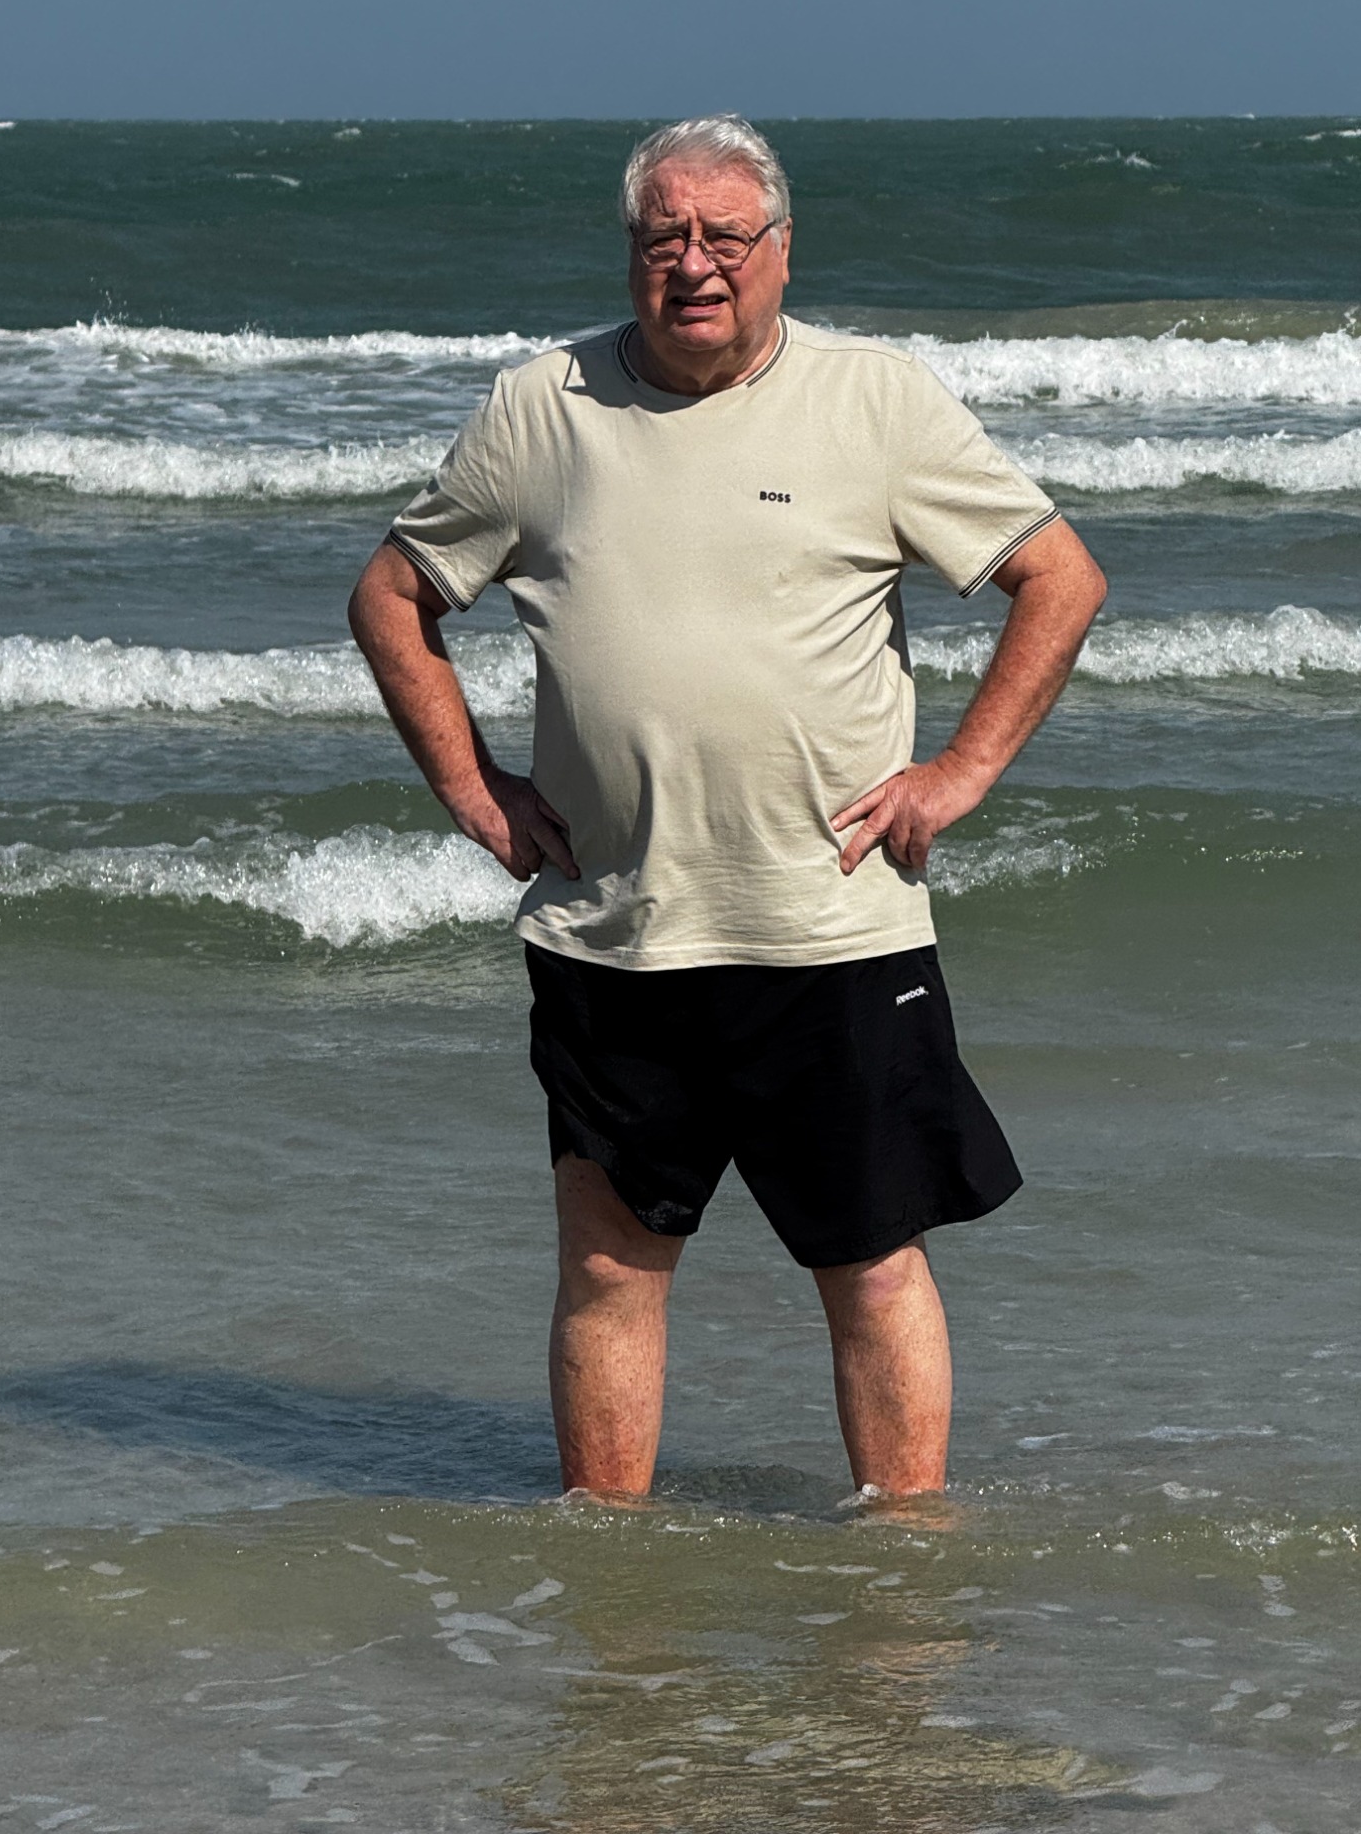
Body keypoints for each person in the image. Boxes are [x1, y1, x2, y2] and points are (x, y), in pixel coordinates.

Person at [348, 115, 1106, 1503]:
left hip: (832, 928)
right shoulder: (540, 409)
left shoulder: (876, 402)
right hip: (616, 931)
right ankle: (606, 1576)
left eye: (724, 236)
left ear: (781, 251)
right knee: (607, 1267)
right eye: (664, 238)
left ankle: (898, 1572)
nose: (694, 263)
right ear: (632, 253)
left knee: (873, 1268)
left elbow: (1060, 578)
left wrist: (960, 773)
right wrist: (472, 790)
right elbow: (391, 596)